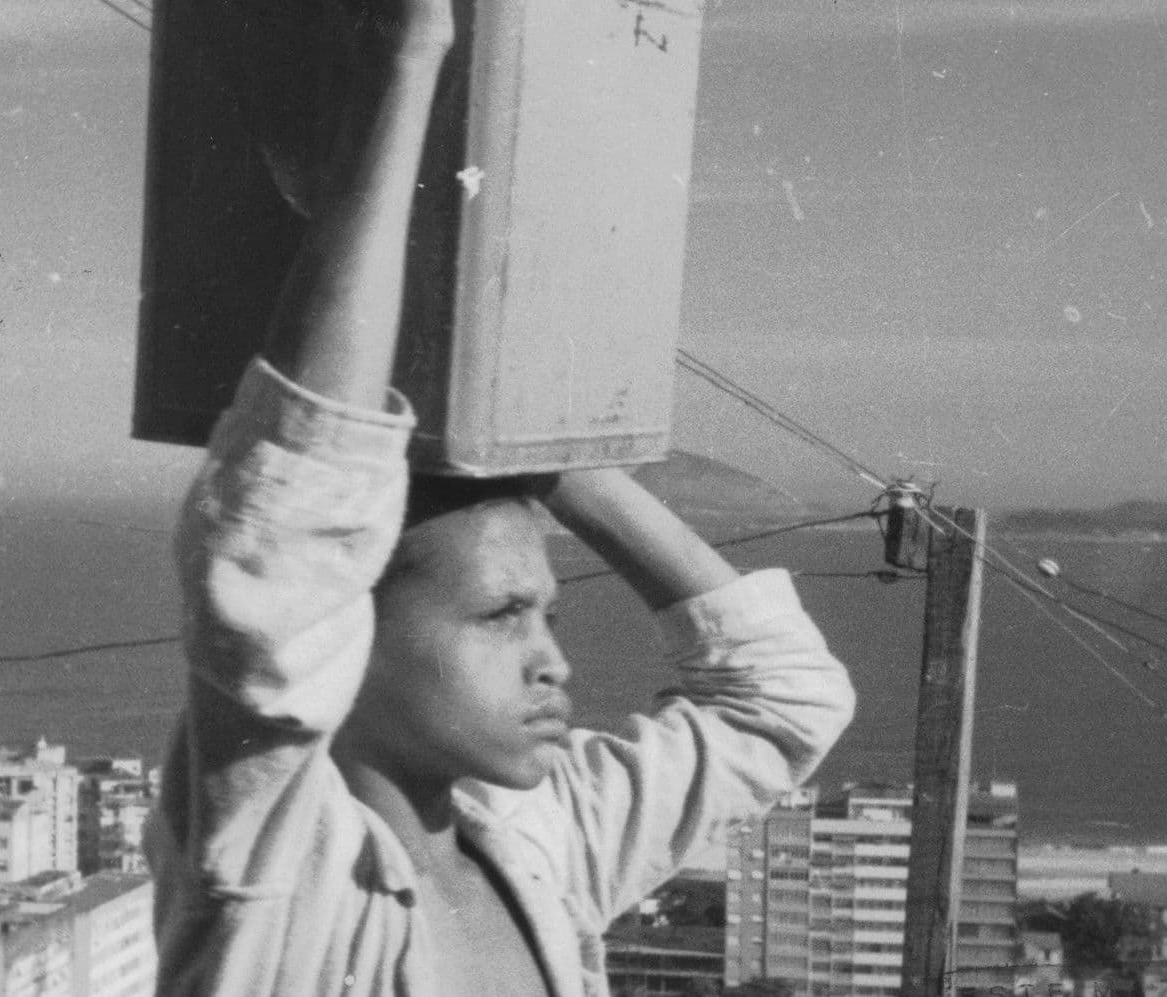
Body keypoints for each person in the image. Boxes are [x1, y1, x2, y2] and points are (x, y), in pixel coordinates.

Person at [148, 2, 855, 993]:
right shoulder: (278, 880)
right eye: (500, 615)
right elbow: (292, 527)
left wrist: (533, 438)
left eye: (545, 614)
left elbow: (783, 698)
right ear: (346, 636)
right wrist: (407, 64)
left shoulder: (540, 846)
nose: (552, 662)